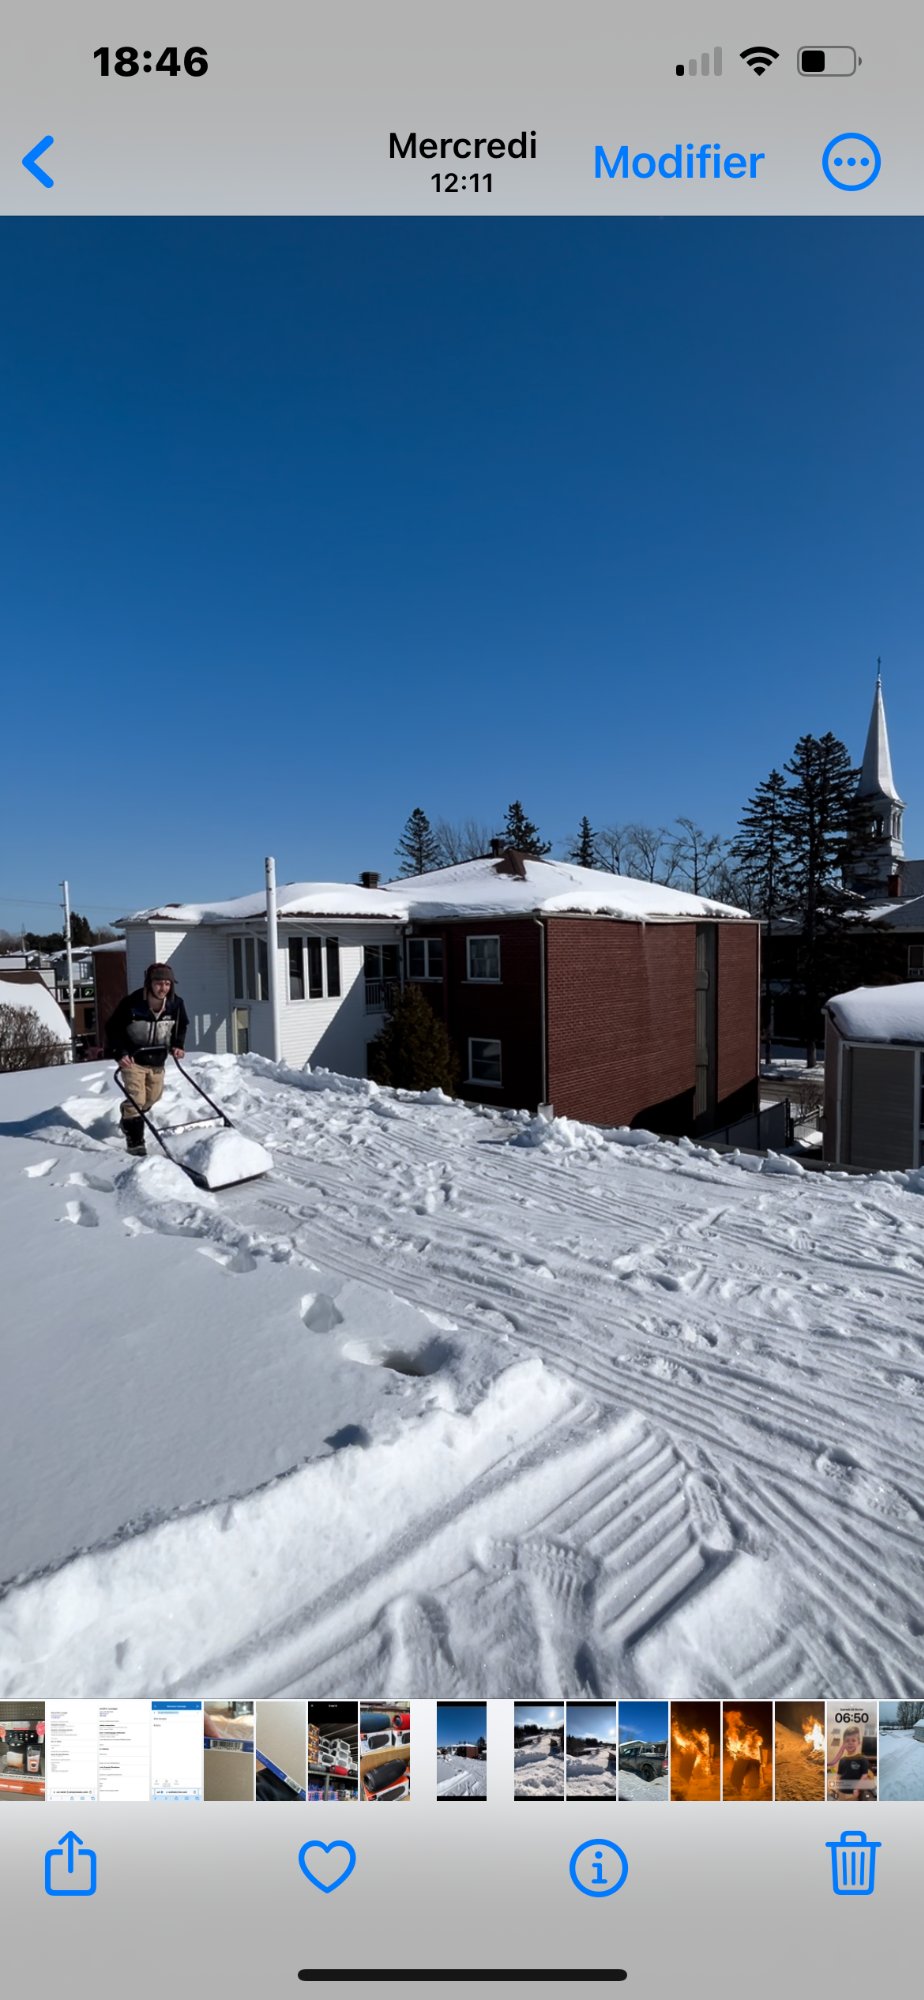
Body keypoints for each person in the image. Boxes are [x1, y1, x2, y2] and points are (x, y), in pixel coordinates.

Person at [105, 962, 189, 1155]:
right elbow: (113, 1027)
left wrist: (178, 1044)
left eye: (167, 984)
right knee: (137, 1098)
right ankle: (135, 1142)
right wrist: (119, 1052)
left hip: (158, 1059)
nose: (163, 988)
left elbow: (182, 1025)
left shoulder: (176, 1004)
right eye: (159, 983)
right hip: (133, 1059)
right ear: (149, 983)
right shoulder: (132, 1003)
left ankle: (128, 1116)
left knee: (153, 1097)